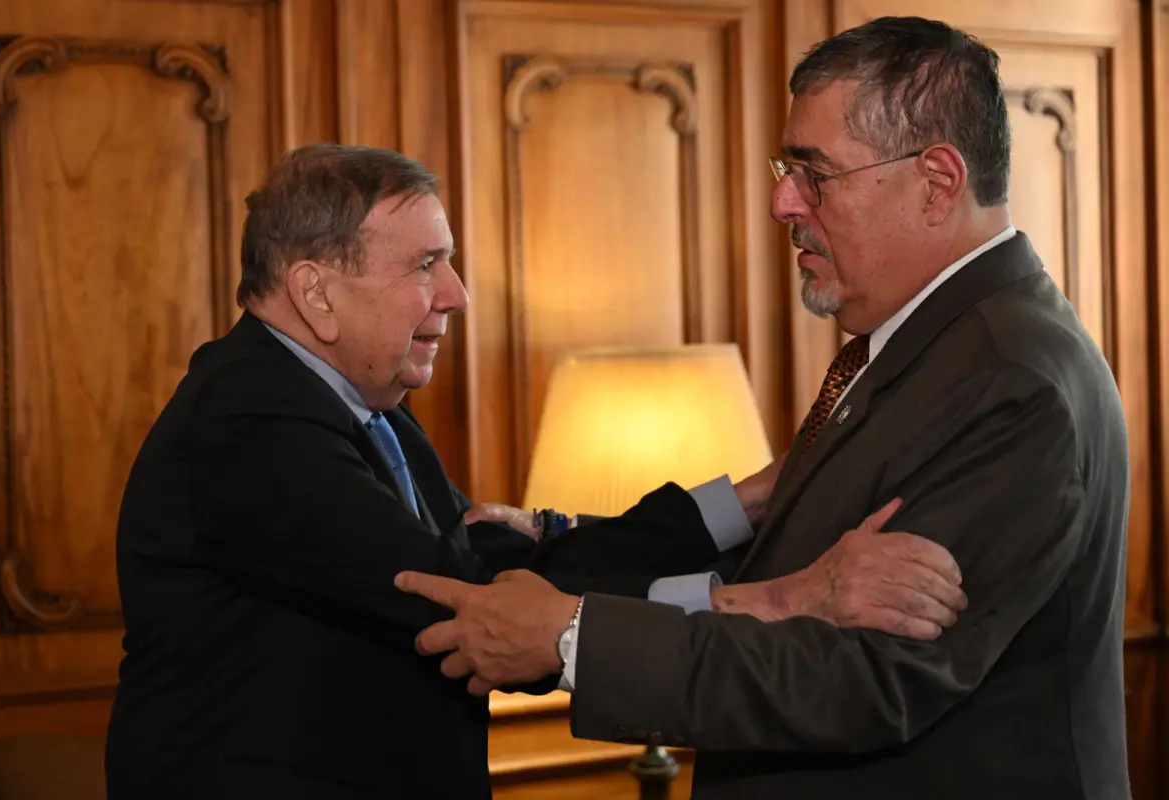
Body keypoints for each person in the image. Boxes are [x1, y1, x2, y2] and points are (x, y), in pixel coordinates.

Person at [395, 16, 1132, 800]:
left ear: (937, 183)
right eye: (788, 167)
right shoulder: (931, 345)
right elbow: (784, 569)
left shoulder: (1008, 381)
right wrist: (558, 550)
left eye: (815, 173)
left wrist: (572, 639)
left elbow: (864, 678)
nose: (783, 202)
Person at [104, 143, 966, 799]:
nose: (457, 295)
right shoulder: (250, 423)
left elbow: (497, 564)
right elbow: (468, 603)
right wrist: (781, 601)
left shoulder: (362, 412)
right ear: (316, 294)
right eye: (424, 265)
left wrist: (755, 496)